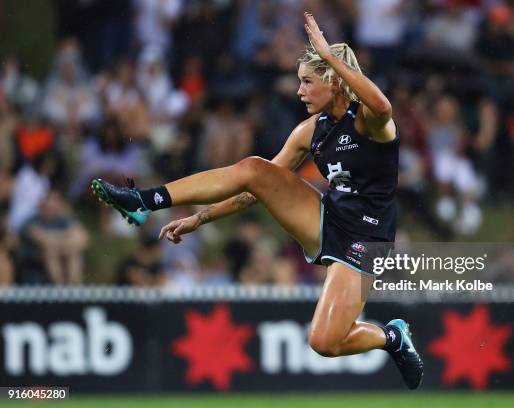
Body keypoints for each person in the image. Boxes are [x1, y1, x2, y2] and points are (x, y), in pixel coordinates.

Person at [92, 13, 423, 389]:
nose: (299, 91)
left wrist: (330, 57)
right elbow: (255, 190)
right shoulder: (310, 131)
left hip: (367, 240)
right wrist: (200, 219)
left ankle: (392, 337)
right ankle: (144, 199)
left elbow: (383, 107)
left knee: (324, 342)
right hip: (326, 219)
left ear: (333, 80)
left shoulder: (368, 120)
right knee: (254, 168)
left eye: (307, 82)